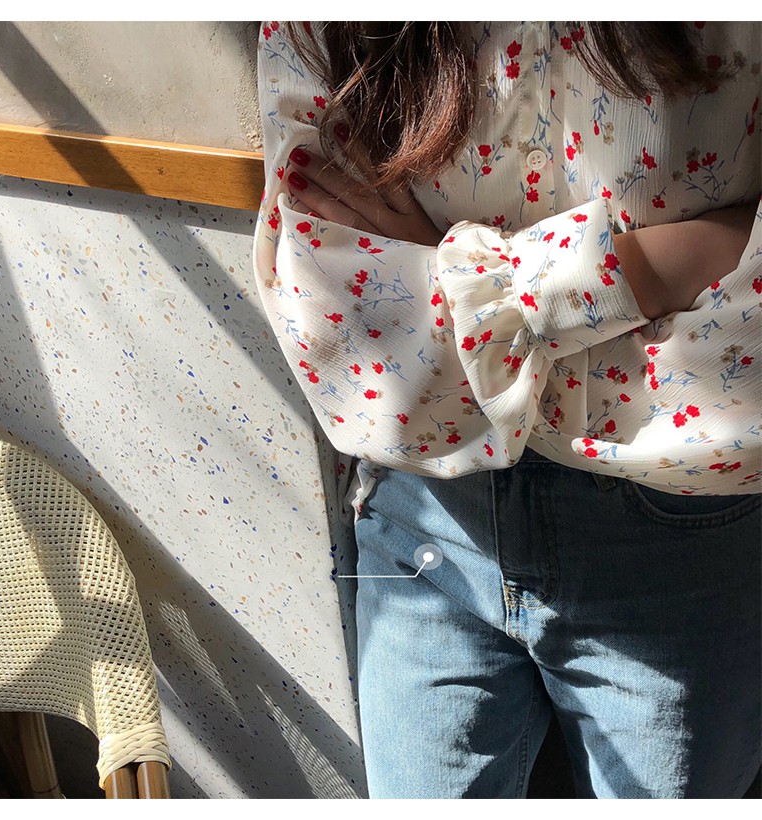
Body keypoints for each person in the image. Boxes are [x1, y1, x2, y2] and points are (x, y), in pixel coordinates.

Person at [253, 22, 761, 798]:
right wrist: (671, 264)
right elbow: (327, 285)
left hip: (686, 534)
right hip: (428, 512)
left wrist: (459, 287)